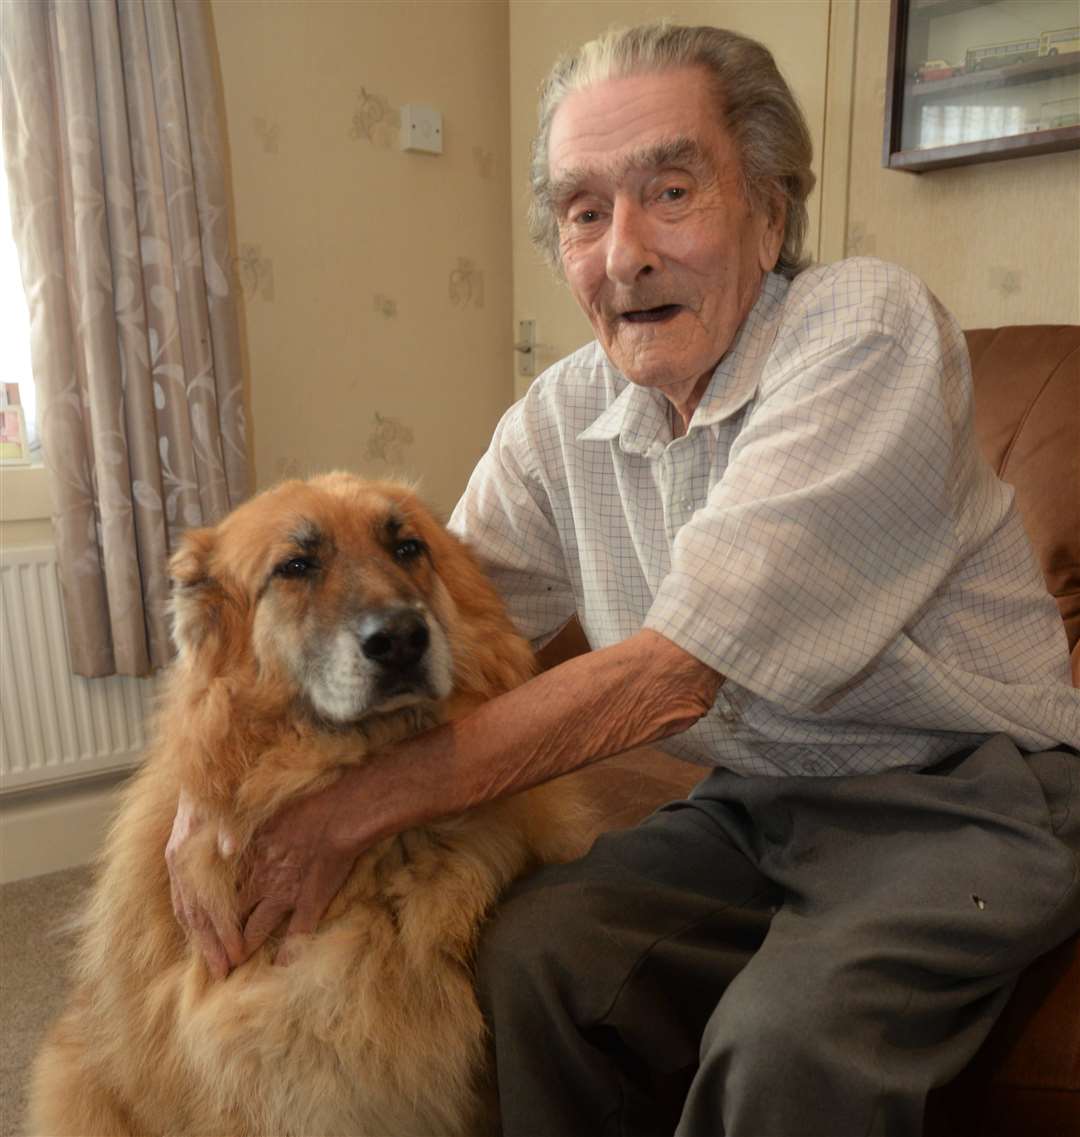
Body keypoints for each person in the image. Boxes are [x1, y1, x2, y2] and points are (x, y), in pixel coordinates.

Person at [168, 22, 1080, 1136]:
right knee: (536, 957)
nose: (624, 252)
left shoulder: (866, 334)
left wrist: (352, 813)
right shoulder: (562, 418)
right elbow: (442, 624)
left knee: (787, 1048)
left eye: (674, 190)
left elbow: (671, 679)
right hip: (753, 803)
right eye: (584, 212)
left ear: (769, 212)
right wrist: (204, 798)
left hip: (965, 793)